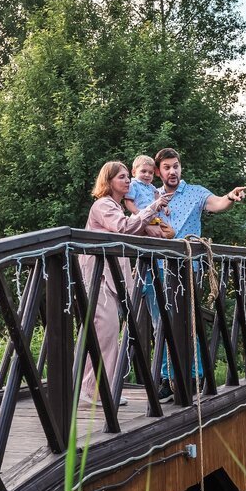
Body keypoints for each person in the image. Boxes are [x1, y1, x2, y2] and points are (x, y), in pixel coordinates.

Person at [151, 147, 246, 400]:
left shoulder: (195, 192)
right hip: (158, 266)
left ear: (181, 167)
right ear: (159, 171)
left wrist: (230, 196)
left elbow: (216, 203)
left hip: (187, 267)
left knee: (189, 321)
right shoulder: (152, 196)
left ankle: (196, 374)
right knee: (161, 323)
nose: (173, 171)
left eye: (176, 166)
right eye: (167, 167)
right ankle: (166, 378)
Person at [80, 161, 172, 408]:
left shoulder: (115, 207)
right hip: (98, 279)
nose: (127, 181)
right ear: (108, 181)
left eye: (127, 177)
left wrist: (156, 226)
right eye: (121, 177)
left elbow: (129, 230)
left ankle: (97, 389)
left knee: (106, 333)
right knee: (106, 332)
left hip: (109, 279)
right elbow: (123, 228)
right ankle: (95, 391)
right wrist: (152, 207)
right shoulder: (103, 205)